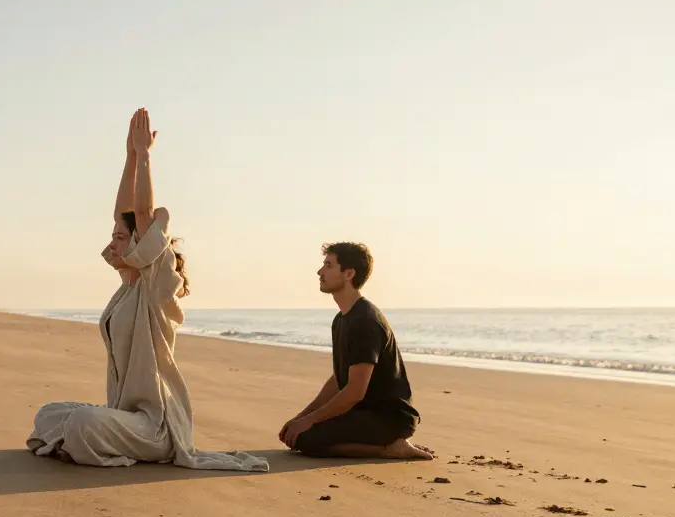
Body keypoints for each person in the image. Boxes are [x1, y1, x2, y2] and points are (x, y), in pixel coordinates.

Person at [27, 108, 268, 472]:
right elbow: (123, 214)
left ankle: (81, 441)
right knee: (51, 412)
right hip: (125, 416)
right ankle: (77, 440)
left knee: (80, 424)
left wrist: (144, 158)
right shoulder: (126, 290)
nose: (113, 242)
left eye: (121, 238)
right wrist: (127, 158)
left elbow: (140, 213)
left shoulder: (156, 286)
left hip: (154, 426)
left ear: (143, 244)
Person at [278, 242, 434, 460]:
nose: (320, 272)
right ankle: (384, 444)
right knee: (297, 434)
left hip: (388, 418)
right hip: (361, 411)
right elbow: (338, 379)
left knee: (307, 439)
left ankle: (390, 448)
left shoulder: (366, 321)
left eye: (328, 265)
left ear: (348, 273)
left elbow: (354, 392)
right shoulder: (341, 319)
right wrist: (302, 416)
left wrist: (310, 421)